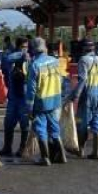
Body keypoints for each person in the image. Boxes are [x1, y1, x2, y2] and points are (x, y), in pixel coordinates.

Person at [26, 37, 66, 166]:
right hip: (55, 100)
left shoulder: (34, 65)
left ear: (33, 50)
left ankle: (45, 158)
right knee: (54, 128)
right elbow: (61, 80)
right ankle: (62, 155)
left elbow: (31, 90)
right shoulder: (55, 61)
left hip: (41, 102)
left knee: (41, 128)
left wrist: (29, 108)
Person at [66, 38, 98, 159]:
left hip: (88, 95)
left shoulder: (83, 60)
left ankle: (80, 150)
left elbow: (83, 80)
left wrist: (74, 96)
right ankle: (96, 152)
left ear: (83, 49)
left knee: (81, 123)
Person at [0, 37, 30, 157]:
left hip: (24, 98)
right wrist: (20, 54)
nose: (25, 50)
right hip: (13, 97)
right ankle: (7, 147)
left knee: (24, 124)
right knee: (8, 123)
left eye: (27, 47)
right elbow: (6, 59)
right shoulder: (13, 58)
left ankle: (23, 148)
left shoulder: (29, 60)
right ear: (17, 47)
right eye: (23, 47)